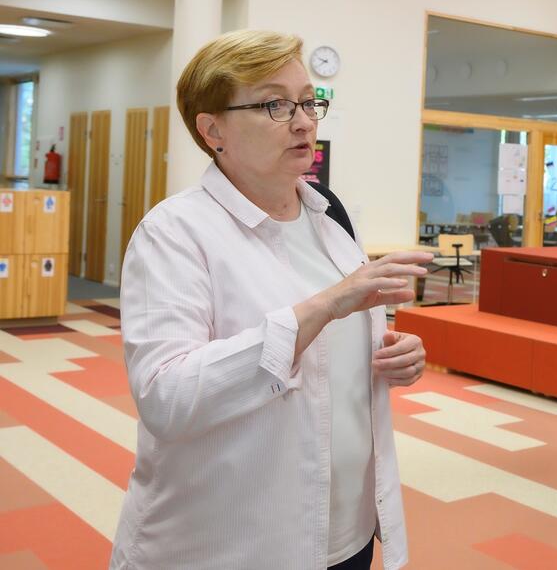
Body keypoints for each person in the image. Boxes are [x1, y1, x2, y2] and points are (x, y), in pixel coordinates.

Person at [109, 29, 434, 570]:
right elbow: (166, 397)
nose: (304, 121)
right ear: (213, 130)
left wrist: (394, 354)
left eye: (309, 101)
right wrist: (326, 305)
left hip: (345, 531)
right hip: (232, 542)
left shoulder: (329, 219)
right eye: (274, 104)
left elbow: (332, 360)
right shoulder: (174, 232)